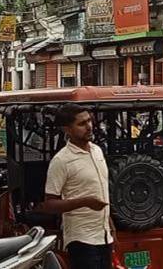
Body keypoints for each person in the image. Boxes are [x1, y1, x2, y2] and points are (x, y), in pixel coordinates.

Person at [41, 104, 114, 269]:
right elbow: (49, 204)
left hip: (104, 236)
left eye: (89, 121)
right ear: (67, 129)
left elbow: (100, 190)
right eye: (81, 124)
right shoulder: (61, 160)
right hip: (82, 239)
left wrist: (108, 222)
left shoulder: (97, 151)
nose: (89, 127)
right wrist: (85, 202)